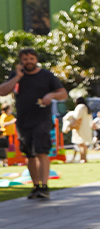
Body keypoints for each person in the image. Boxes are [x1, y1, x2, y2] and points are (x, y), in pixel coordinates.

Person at [0, 48, 68, 199]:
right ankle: (35, 186)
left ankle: (44, 186)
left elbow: (63, 94)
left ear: (36, 59)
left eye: (31, 58)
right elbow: (2, 91)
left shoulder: (47, 76)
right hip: (23, 121)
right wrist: (17, 76)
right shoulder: (17, 76)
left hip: (42, 120)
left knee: (41, 152)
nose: (28, 61)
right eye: (25, 59)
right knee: (29, 155)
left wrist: (51, 95)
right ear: (21, 61)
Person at [63, 98, 94, 163]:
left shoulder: (80, 107)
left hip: (80, 127)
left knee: (81, 144)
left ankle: (82, 159)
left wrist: (71, 113)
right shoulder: (86, 107)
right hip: (86, 127)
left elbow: (77, 116)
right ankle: (84, 158)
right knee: (83, 144)